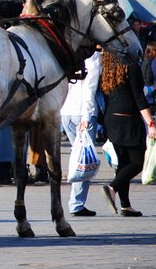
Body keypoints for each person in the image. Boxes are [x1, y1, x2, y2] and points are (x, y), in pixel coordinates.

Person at [99, 51, 156, 217]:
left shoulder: (108, 68)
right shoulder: (131, 67)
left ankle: (125, 205)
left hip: (112, 118)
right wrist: (151, 124)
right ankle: (112, 188)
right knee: (138, 162)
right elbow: (139, 98)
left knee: (123, 163)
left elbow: (106, 97)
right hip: (128, 119)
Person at [60, 51, 101, 216]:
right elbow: (90, 86)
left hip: (66, 111)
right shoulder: (93, 56)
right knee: (84, 158)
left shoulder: (69, 52)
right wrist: (87, 115)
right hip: (83, 111)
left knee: (76, 155)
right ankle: (76, 203)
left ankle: (75, 201)